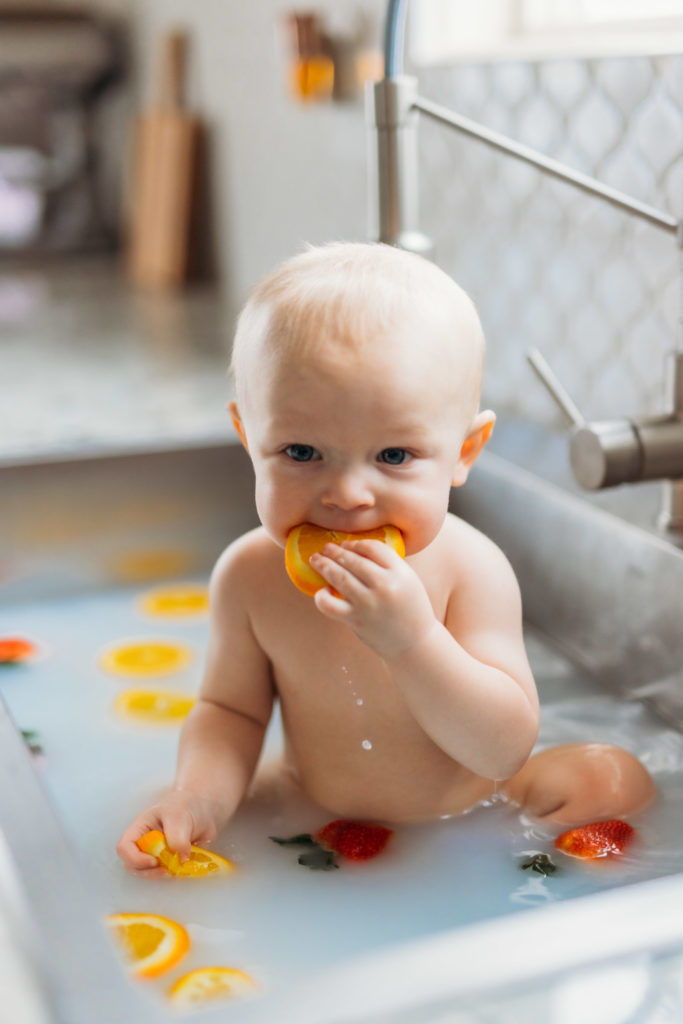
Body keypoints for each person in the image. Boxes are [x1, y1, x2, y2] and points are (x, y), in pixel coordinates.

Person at [117, 242, 655, 875]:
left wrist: (413, 641)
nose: (347, 495)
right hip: (309, 803)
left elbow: (503, 750)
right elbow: (229, 711)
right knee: (160, 807)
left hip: (475, 806)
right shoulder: (248, 576)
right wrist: (198, 797)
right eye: (300, 451)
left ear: (465, 451)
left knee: (614, 782)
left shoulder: (469, 570)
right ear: (248, 437)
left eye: (394, 456)